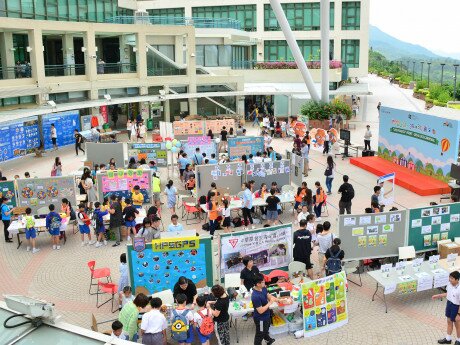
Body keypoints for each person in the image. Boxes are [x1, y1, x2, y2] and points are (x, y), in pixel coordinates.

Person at [433, 271, 460, 345]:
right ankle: (448, 339)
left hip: (456, 306)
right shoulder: (449, 284)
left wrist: (458, 313)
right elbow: (448, 293)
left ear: (457, 279)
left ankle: (458, 340)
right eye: (449, 278)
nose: (450, 279)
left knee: (457, 324)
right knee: (449, 321)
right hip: (449, 304)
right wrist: (438, 296)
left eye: (452, 278)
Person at [251, 274, 278, 345]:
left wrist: (279, 300)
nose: (264, 283)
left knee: (265, 330)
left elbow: (268, 296)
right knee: (260, 334)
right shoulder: (255, 296)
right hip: (261, 319)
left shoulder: (263, 288)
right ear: (257, 284)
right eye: (262, 282)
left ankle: (268, 340)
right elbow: (260, 311)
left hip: (267, 316)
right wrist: (270, 303)